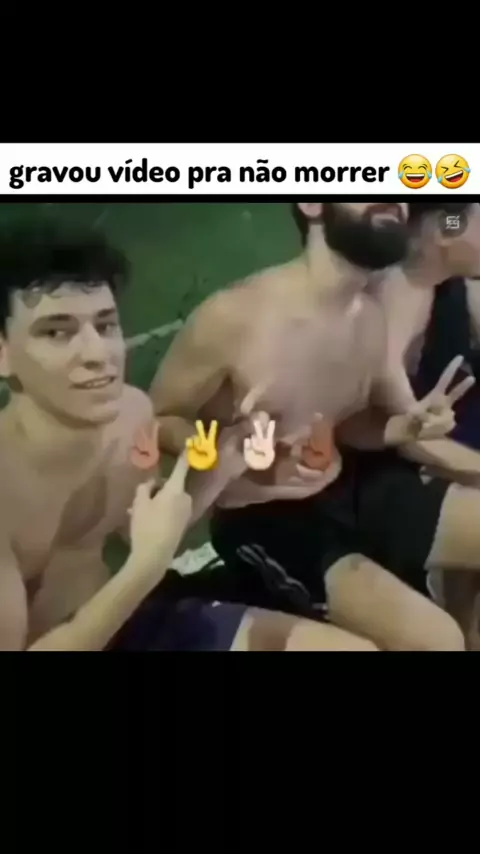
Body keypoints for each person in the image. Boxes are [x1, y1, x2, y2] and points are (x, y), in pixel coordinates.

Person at [0, 219, 374, 652]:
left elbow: (147, 531)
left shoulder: (131, 412)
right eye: (56, 332)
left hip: (130, 615)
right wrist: (144, 569)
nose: (98, 354)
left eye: (105, 326)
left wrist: (226, 458)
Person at [151, 202, 465, 651]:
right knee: (440, 640)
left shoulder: (370, 314)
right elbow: (160, 417)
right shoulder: (232, 316)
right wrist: (218, 448)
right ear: (312, 203)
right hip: (268, 519)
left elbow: (352, 425)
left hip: (352, 485)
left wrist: (404, 428)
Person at [357, 202, 480, 647]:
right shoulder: (394, 303)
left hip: (429, 440)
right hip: (376, 476)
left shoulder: (444, 282)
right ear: (447, 231)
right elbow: (405, 437)